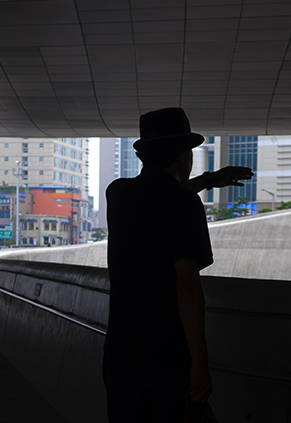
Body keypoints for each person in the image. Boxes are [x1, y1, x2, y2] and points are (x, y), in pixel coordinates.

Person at [103, 107, 253, 422]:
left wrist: (207, 181)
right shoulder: (185, 205)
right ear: (183, 155)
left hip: (119, 356)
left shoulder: (117, 194)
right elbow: (187, 285)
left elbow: (156, 196)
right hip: (167, 359)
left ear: (143, 155)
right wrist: (200, 363)